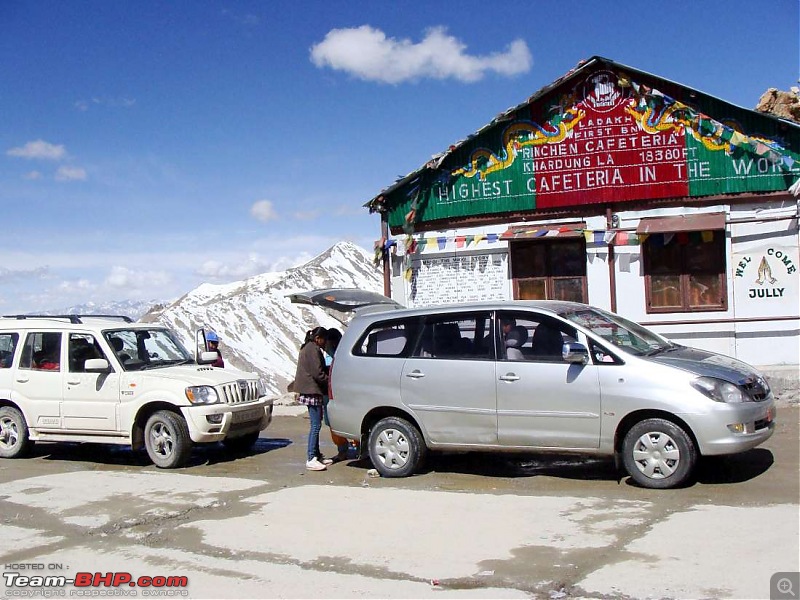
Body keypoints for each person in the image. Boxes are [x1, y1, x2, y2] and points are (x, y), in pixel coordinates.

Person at [294, 326, 333, 471]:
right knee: (315, 425)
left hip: (310, 391)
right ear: (318, 339)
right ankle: (311, 457)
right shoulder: (313, 350)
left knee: (316, 424)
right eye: (324, 340)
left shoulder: (308, 347)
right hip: (312, 391)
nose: (325, 343)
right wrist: (329, 380)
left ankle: (317, 455)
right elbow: (318, 373)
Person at [322, 328, 359, 462]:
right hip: (335, 391)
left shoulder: (339, 354)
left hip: (336, 391)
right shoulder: (331, 353)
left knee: (335, 422)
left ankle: (347, 449)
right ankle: (352, 449)